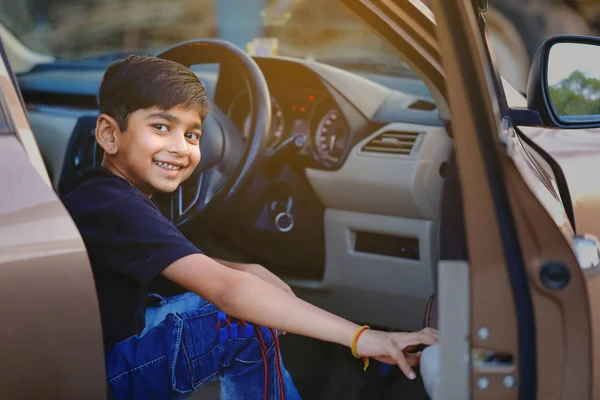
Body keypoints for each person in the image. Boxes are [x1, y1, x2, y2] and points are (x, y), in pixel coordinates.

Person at [61, 54, 438, 399]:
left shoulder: (102, 193)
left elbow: (170, 263)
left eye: (192, 135)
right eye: (161, 127)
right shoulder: (115, 205)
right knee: (246, 322)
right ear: (109, 134)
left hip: (93, 346)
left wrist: (249, 270)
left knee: (254, 301)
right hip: (100, 374)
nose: (181, 148)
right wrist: (363, 337)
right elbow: (227, 291)